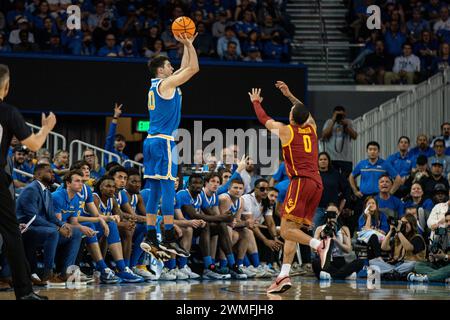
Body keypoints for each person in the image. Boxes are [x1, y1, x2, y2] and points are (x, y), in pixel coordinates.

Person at [248, 82, 330, 294]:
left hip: (301, 182)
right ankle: (283, 275)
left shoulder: (287, 131)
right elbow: (304, 111)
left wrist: (255, 102)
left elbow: (264, 119)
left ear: (293, 117)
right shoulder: (311, 128)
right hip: (316, 184)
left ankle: (318, 245)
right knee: (292, 232)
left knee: (285, 230)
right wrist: (290, 95)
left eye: (291, 110)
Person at [140, 33, 199, 260]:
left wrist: (186, 46)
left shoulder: (157, 85)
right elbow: (193, 69)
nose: (172, 66)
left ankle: (150, 235)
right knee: (168, 189)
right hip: (164, 141)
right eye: (168, 65)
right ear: (160, 70)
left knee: (154, 191)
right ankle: (167, 235)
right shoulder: (166, 83)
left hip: (151, 141)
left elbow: (185, 66)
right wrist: (189, 43)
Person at [0, 64, 56, 300]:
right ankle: (24, 293)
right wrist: (45, 129)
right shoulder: (8, 111)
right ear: (7, 85)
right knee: (11, 234)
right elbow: (33, 145)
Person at [16, 164, 80, 287]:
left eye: (52, 172)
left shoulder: (47, 191)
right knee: (52, 232)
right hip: (26, 228)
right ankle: (47, 274)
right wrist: (57, 228)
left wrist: (62, 225)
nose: (53, 174)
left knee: (76, 232)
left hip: (41, 228)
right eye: (49, 171)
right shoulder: (31, 189)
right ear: (38, 175)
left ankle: (65, 273)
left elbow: (51, 216)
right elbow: (32, 218)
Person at [92, 176, 144, 283]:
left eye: (113, 187)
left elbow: (120, 215)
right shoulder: (95, 198)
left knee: (116, 228)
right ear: (101, 188)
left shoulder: (113, 200)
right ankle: (119, 267)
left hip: (102, 229)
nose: (112, 189)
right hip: (91, 227)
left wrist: (129, 222)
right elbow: (99, 218)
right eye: (108, 186)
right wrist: (122, 225)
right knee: (111, 225)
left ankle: (123, 268)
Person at [312, 203, 365, 280]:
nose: (331, 215)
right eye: (329, 213)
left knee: (360, 262)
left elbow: (348, 250)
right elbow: (313, 250)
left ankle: (331, 276)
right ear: (325, 214)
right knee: (315, 262)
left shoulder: (344, 229)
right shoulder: (320, 229)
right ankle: (343, 275)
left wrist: (335, 240)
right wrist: (322, 238)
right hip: (325, 260)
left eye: (334, 213)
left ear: (338, 213)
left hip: (339, 260)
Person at [369, 213, 427, 280]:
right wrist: (391, 231)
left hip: (408, 265)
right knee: (373, 262)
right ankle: (393, 273)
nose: (404, 225)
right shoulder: (398, 237)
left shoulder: (417, 238)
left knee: (413, 264)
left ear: (412, 224)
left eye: (406, 223)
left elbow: (408, 248)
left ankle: (388, 273)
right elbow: (384, 247)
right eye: (402, 223)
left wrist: (399, 232)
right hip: (395, 266)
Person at [314, 152, 351, 230]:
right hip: (317, 209)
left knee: (332, 233)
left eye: (325, 159)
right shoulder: (314, 175)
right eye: (320, 159)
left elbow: (347, 188)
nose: (323, 161)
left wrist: (342, 206)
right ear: (317, 161)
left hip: (333, 208)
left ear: (328, 161)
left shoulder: (336, 174)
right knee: (316, 233)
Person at [410, 210, 450, 282]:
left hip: (448, 266)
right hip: (440, 265)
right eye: (447, 221)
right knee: (418, 265)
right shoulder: (441, 232)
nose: (449, 223)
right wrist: (432, 256)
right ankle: (442, 277)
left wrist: (445, 256)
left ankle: (426, 278)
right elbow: (433, 248)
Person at [321, 106, 358, 177]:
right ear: (333, 114)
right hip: (332, 158)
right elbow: (324, 136)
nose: (339, 116)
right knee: (333, 179)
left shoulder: (349, 122)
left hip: (346, 158)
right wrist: (333, 121)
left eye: (341, 115)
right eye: (337, 115)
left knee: (345, 181)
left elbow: (354, 136)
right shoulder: (329, 122)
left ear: (345, 114)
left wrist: (346, 125)